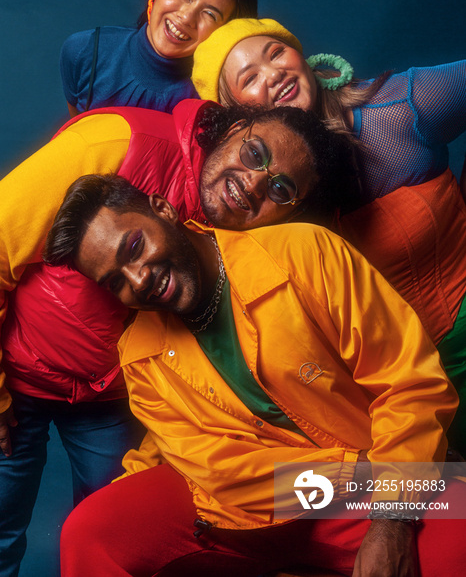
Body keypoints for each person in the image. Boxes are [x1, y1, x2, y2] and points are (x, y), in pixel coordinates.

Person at [0, 99, 356, 577]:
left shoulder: (303, 249)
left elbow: (412, 388)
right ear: (230, 130)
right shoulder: (115, 147)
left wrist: (401, 495)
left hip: (368, 474)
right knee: (77, 530)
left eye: (278, 186)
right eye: (251, 154)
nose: (250, 184)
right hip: (17, 383)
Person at [45, 174, 465, 577]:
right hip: (238, 509)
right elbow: (221, 471)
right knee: (90, 533)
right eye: (115, 281)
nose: (139, 280)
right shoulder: (139, 356)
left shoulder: (305, 252)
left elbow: (411, 383)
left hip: (373, 485)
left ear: (163, 209)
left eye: (134, 247)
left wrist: (391, 511)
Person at [192, 17, 466, 452]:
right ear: (236, 113)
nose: (274, 73)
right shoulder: (251, 191)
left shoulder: (398, 108)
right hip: (375, 395)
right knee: (442, 504)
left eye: (276, 53)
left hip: (458, 341)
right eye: (250, 77)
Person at [60, 0, 257, 117]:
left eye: (210, 14)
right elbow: (74, 136)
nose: (187, 17)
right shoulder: (84, 50)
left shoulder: (214, 103)